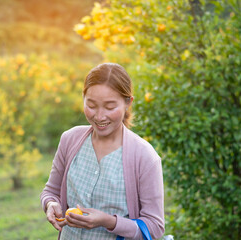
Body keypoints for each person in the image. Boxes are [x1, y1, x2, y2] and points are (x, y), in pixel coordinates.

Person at [40, 63, 164, 239]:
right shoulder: (70, 140)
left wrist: (109, 221)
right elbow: (50, 191)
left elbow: (155, 227)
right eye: (91, 105)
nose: (99, 116)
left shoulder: (144, 157)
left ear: (128, 103)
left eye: (109, 107)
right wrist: (51, 203)